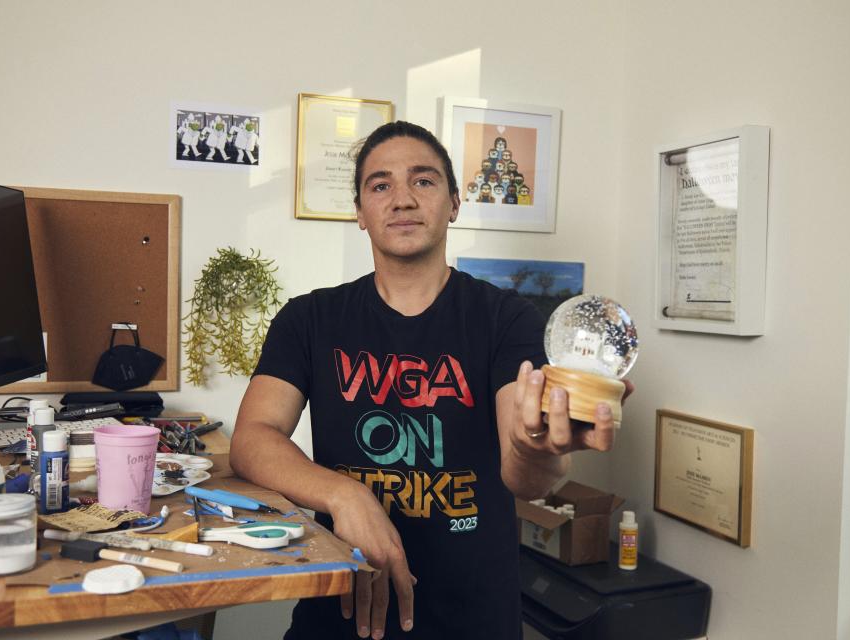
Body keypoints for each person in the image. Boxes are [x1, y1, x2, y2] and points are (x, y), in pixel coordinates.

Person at [229, 121, 625, 639]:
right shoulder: (310, 319)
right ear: (360, 213)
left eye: (423, 181)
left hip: (472, 617)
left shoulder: (506, 319)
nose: (402, 199)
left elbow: (525, 477)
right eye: (380, 185)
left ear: (455, 203)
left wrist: (536, 448)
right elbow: (252, 438)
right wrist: (346, 496)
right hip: (340, 607)